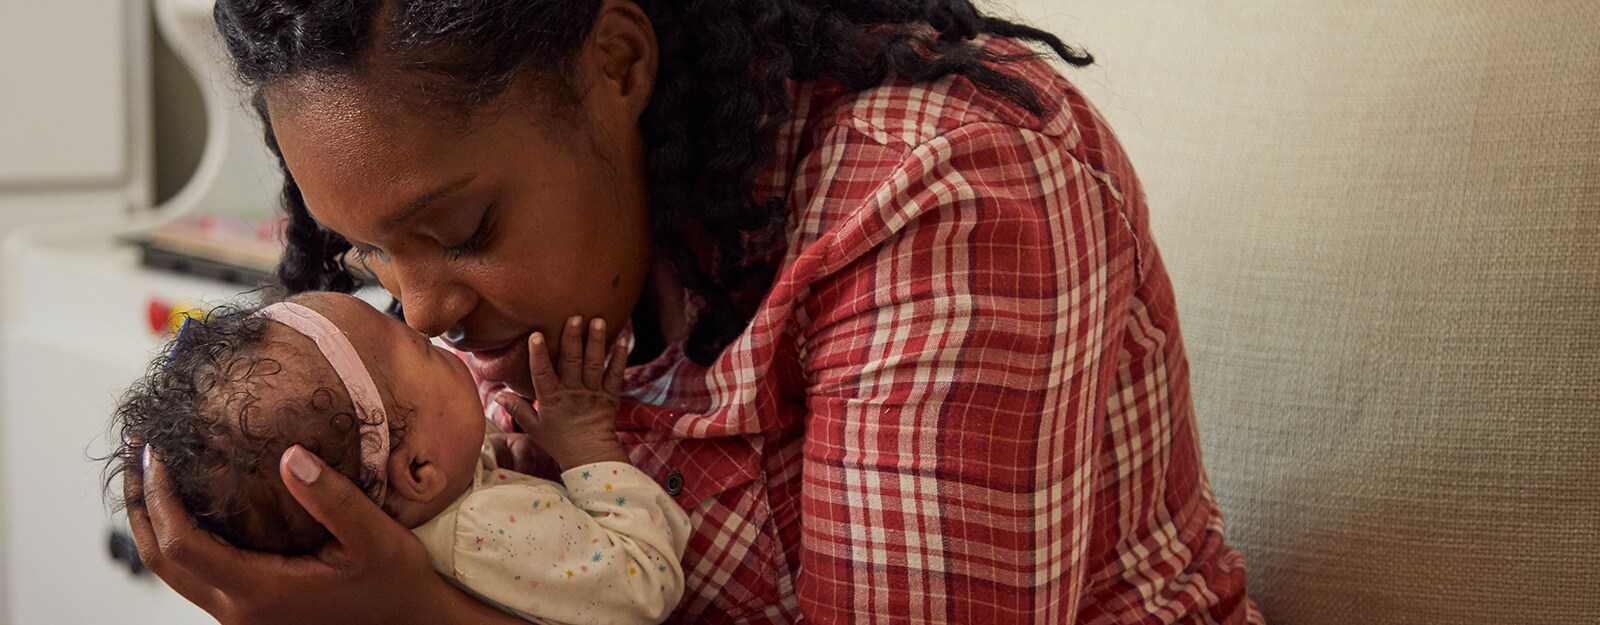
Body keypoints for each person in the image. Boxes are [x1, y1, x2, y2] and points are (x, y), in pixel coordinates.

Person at [123, 1, 1264, 623]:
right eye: (367, 249)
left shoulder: (938, 191)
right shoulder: (504, 314)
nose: (419, 309)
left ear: (617, 61)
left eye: (464, 229)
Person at [111, 292, 690, 624]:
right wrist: (588, 448)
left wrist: (498, 456)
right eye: (417, 348)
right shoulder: (483, 534)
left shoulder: (423, 519)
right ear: (417, 472)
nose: (424, 324)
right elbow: (646, 585)